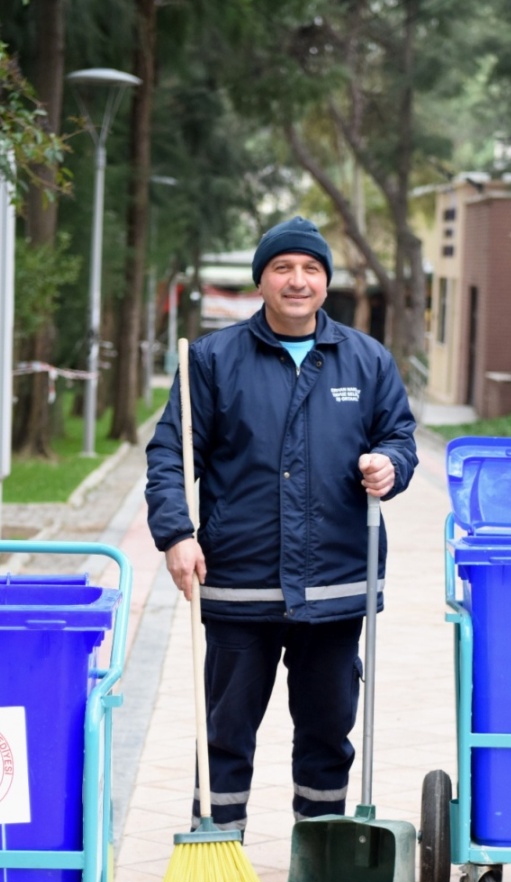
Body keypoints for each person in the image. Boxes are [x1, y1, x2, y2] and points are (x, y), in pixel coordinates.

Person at [145, 217, 417, 832]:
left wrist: (390, 466)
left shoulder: (367, 361)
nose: (298, 281)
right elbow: (170, 454)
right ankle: (216, 852)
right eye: (283, 268)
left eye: (311, 269)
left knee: (327, 734)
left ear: (326, 282)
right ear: (261, 280)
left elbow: (399, 437)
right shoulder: (213, 360)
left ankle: (319, 856)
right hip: (240, 584)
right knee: (225, 733)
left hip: (334, 586)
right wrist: (177, 534)